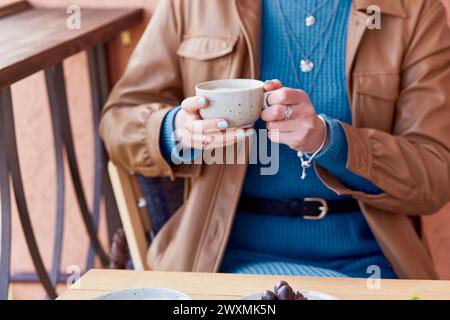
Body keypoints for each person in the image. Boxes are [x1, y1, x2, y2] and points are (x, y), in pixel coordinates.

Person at [100, 0, 450, 279]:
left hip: (369, 268)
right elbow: (118, 119)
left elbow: (435, 175)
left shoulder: (414, 10)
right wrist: (175, 129)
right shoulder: (194, 4)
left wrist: (331, 141)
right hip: (221, 264)